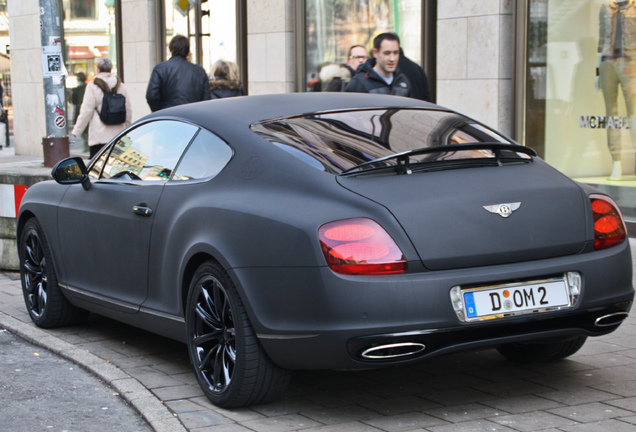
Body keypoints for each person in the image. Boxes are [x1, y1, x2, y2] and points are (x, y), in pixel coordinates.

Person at [597, 0, 636, 179]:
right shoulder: (605, 7)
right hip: (608, 62)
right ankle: (616, 162)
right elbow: (601, 40)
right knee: (611, 114)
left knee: (633, 114)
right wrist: (598, 72)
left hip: (631, 62)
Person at [71, 58, 132, 158]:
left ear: (98, 70)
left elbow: (87, 110)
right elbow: (128, 109)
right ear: (110, 70)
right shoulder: (120, 85)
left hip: (98, 136)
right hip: (118, 135)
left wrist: (77, 130)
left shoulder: (93, 86)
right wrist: (127, 127)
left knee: (97, 169)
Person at [145, 35, 211, 112]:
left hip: (168, 116)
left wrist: (160, 112)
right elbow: (206, 100)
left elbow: (151, 96)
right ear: (188, 51)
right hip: (192, 117)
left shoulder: (160, 68)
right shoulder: (199, 71)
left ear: (170, 49)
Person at [344, 32, 410, 97]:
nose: (392, 59)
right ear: (375, 53)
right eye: (387, 53)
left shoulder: (403, 81)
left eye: (395, 53)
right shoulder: (359, 83)